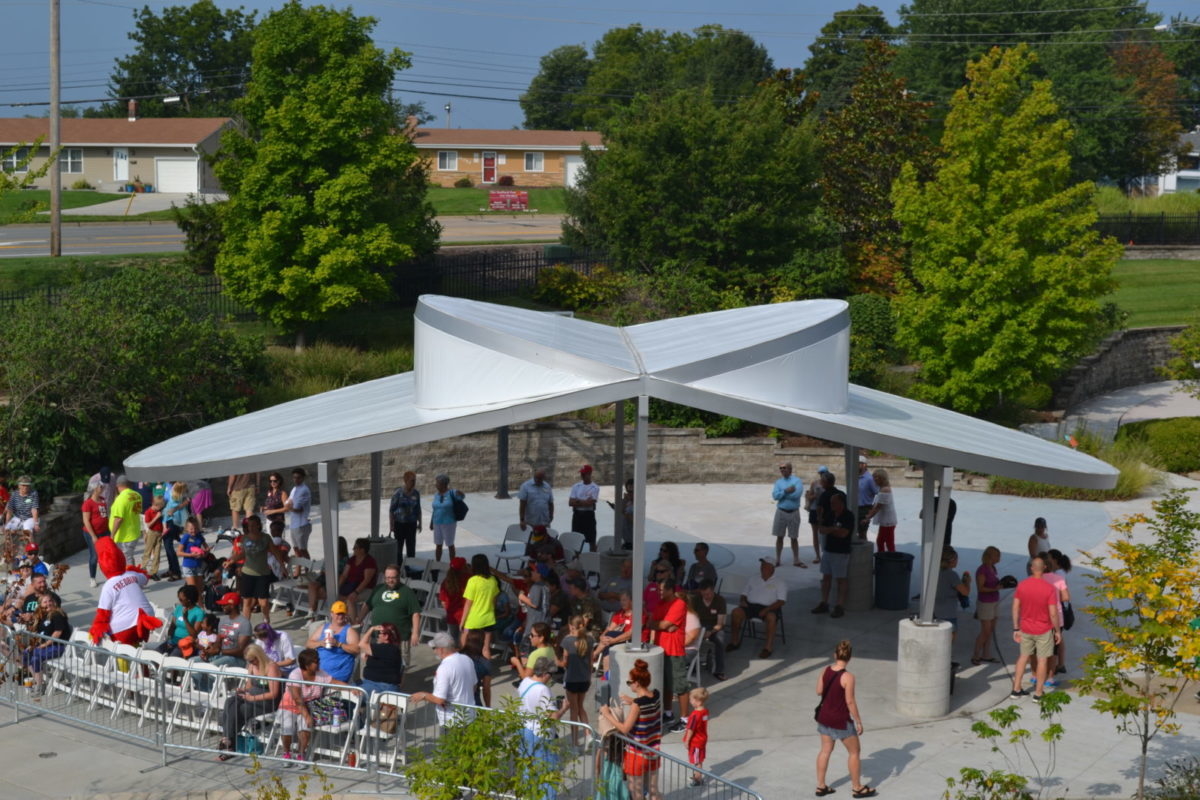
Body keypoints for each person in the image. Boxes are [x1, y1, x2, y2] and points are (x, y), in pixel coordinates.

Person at [815, 640, 875, 798]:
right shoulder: (848, 677)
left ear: (835, 655)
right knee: (854, 752)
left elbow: (819, 691)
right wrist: (858, 721)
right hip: (840, 721)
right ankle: (857, 787)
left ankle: (821, 786)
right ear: (850, 657)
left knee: (825, 750)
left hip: (824, 718)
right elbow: (850, 701)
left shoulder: (825, 670)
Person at [598, 658, 662, 800]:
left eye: (629, 682)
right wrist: (631, 700)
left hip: (637, 753)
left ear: (636, 683)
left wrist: (608, 714)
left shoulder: (637, 705)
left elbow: (625, 728)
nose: (629, 685)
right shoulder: (656, 695)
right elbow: (648, 704)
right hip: (653, 749)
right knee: (653, 791)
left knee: (635, 790)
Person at [89, 536, 162, 646]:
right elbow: (145, 577)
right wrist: (131, 569)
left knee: (121, 650)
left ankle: (125, 662)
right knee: (135, 647)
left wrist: (95, 629)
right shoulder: (131, 574)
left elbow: (103, 613)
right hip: (146, 619)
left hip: (124, 628)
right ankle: (140, 661)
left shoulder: (108, 586)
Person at [276, 648, 346, 762]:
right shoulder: (295, 674)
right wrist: (307, 715)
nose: (318, 663)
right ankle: (286, 752)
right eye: (315, 661)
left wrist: (352, 689)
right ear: (307, 665)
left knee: (305, 727)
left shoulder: (320, 673)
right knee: (287, 726)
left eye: (318, 660)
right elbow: (297, 698)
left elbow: (334, 682)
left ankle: (301, 754)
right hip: (290, 704)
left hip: (309, 706)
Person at [1009, 553, 1062, 701]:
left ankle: (1016, 689)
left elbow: (1015, 607)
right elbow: (1053, 613)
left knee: (1023, 657)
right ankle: (1038, 693)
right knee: (1042, 660)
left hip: (1025, 628)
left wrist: (1015, 628)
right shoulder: (1049, 588)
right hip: (1044, 629)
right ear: (1044, 568)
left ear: (1031, 568)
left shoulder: (1022, 585)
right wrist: (1057, 631)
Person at [517, 655, 571, 797]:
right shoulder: (542, 690)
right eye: (551, 674)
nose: (551, 678)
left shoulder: (524, 682)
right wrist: (564, 708)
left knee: (528, 769)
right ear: (546, 674)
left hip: (524, 729)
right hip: (541, 733)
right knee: (548, 772)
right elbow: (553, 717)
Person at [216, 643, 281, 760]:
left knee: (240, 710)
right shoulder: (251, 666)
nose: (251, 663)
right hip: (251, 696)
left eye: (252, 660)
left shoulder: (271, 667)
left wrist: (253, 698)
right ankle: (228, 741)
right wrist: (242, 689)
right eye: (249, 661)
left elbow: (274, 693)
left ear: (259, 656)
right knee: (230, 702)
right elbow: (250, 685)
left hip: (266, 701)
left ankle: (228, 743)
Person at [411, 631, 478, 728]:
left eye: (435, 648)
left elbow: (439, 699)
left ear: (441, 649)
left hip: (452, 720)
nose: (434, 651)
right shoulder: (467, 659)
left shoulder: (444, 668)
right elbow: (474, 686)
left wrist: (423, 695)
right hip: (469, 716)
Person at [650, 579, 690, 732]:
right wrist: (663, 625)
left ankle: (685, 718)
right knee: (666, 684)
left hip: (675, 650)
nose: (659, 593)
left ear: (670, 590)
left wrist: (663, 625)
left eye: (661, 590)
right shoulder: (660, 604)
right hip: (661, 649)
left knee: (680, 686)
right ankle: (668, 713)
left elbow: (666, 625)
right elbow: (653, 623)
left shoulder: (679, 604)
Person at [727, 558, 788, 658]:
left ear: (772, 568)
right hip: (750, 606)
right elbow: (744, 594)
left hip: (769, 607)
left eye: (765, 565)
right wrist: (742, 601)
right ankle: (735, 642)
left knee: (771, 618)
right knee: (736, 612)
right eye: (762, 565)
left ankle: (768, 648)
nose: (762, 567)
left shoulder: (780, 582)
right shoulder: (753, 578)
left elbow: (781, 601)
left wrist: (767, 609)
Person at [366, 564, 421, 668]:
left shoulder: (407, 592)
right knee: (376, 662)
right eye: (387, 578)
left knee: (400, 665)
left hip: (399, 636)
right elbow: (368, 605)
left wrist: (415, 633)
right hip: (379, 635)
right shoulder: (378, 589)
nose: (390, 580)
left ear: (399, 577)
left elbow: (416, 613)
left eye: (393, 578)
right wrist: (359, 618)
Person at [813, 491, 854, 619]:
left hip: (841, 552)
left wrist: (830, 530)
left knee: (841, 579)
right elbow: (821, 529)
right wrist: (833, 529)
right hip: (828, 550)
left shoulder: (848, 516)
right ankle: (824, 602)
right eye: (831, 503)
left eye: (834, 503)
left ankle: (839, 606)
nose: (831, 505)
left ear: (841, 503)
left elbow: (844, 534)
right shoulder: (830, 514)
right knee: (826, 578)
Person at [23, 592, 71, 696]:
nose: (48, 603)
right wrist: (33, 644)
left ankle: (39, 687)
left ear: (54, 602)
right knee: (26, 653)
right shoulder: (42, 616)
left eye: (50, 601)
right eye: (45, 602)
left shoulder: (57, 614)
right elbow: (39, 633)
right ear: (40, 605)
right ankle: (39, 680)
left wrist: (46, 644)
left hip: (58, 646)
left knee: (36, 656)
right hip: (45, 646)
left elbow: (58, 632)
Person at [305, 600, 360, 682]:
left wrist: (339, 644)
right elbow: (308, 644)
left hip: (337, 676)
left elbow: (357, 649)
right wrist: (320, 643)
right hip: (318, 673)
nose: (340, 616)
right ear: (331, 614)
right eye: (338, 614)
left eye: (343, 614)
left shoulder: (349, 630)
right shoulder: (323, 627)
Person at [558, 615, 593, 741]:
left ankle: (574, 742)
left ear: (571, 626)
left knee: (574, 710)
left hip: (571, 679)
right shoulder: (589, 640)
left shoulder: (567, 641)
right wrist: (589, 677)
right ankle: (588, 735)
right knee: (581, 707)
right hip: (584, 678)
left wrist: (557, 661)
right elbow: (590, 662)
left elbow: (565, 663)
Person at [1041, 549, 1072, 682]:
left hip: (1055, 614)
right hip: (1060, 613)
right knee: (1058, 640)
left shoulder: (1058, 575)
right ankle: (1060, 664)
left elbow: (1064, 595)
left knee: (1052, 645)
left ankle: (1052, 671)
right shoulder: (1059, 574)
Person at [460, 553, 500, 655]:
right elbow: (494, 600)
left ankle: (467, 668)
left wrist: (462, 622)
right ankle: (487, 669)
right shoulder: (493, 580)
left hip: (474, 619)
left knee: (465, 646)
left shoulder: (472, 581)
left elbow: (468, 604)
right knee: (486, 648)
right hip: (488, 618)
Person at [305, 536, 348, 622]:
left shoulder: (345, 560)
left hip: (335, 579)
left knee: (317, 592)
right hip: (324, 577)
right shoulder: (329, 556)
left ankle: (312, 618)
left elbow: (343, 574)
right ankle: (311, 611)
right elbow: (322, 570)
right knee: (312, 585)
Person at [972, 546, 1002, 666]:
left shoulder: (992, 568)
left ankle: (986, 654)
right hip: (985, 603)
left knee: (990, 630)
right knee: (985, 631)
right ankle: (976, 655)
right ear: (990, 556)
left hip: (994, 601)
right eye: (997, 556)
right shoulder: (982, 570)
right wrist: (995, 588)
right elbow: (981, 588)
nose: (999, 558)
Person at [934, 547, 971, 644]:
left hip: (935, 610)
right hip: (948, 612)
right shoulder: (952, 575)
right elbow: (965, 592)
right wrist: (967, 582)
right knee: (950, 636)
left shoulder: (935, 572)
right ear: (952, 560)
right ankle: (944, 656)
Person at [772, 461, 806, 567]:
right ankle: (778, 559)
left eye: (784, 468)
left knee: (794, 537)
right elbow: (775, 496)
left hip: (794, 513)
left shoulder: (797, 481)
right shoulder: (778, 482)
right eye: (780, 468)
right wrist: (786, 491)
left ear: (790, 469)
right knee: (779, 537)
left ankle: (796, 559)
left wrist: (782, 494)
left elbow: (796, 495)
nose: (782, 470)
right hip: (781, 512)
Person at [359, 622, 405, 700]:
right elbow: (383, 665)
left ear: (386, 636)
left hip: (380, 686)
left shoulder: (385, 648)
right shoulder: (392, 649)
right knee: (346, 690)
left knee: (348, 695)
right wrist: (369, 658)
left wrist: (371, 629)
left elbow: (361, 644)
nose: (378, 636)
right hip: (377, 684)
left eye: (380, 633)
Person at [337, 537, 378, 624]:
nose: (353, 549)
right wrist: (337, 587)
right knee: (336, 596)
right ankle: (343, 621)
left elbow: (366, 580)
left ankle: (353, 625)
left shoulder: (369, 561)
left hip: (366, 589)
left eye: (355, 547)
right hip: (351, 586)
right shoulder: (352, 560)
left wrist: (356, 592)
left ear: (362, 550)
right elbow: (344, 575)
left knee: (350, 599)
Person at [695, 579, 728, 681]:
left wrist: (710, 632)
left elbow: (720, 623)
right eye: (704, 594)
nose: (706, 597)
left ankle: (719, 670)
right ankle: (692, 664)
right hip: (699, 625)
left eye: (709, 594)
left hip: (714, 626)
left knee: (720, 639)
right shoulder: (695, 600)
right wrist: (699, 630)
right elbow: (693, 618)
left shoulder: (720, 600)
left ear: (713, 591)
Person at [594, 592, 633, 677]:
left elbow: (630, 634)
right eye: (621, 600)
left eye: (624, 600)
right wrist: (602, 636)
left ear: (632, 601)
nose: (622, 602)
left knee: (610, 637)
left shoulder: (638, 614)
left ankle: (594, 655)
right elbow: (610, 628)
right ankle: (607, 675)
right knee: (607, 642)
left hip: (630, 641)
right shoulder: (619, 613)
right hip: (614, 641)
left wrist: (613, 640)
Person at [211, 591, 253, 669]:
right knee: (194, 661)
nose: (222, 607)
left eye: (224, 605)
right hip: (222, 655)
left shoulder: (244, 623)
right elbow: (218, 640)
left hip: (238, 659)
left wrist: (219, 652)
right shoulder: (222, 620)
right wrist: (210, 651)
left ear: (232, 605)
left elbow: (241, 651)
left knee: (212, 666)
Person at [81, 479, 110, 588]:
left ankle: (109, 574)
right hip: (92, 533)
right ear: (94, 489)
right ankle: (92, 578)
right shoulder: (88, 504)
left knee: (106, 554)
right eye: (100, 487)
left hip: (104, 532)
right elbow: (86, 521)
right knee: (95, 556)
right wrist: (93, 536)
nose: (102, 489)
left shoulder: (102, 500)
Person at [160, 585, 205, 656]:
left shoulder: (199, 613)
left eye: (181, 599)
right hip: (173, 641)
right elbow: (172, 626)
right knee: (154, 655)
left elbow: (194, 635)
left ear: (189, 600)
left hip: (186, 644)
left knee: (170, 659)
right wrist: (169, 640)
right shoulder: (179, 608)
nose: (179, 601)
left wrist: (185, 619)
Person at [279, 468, 313, 560]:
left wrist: (289, 506)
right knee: (296, 550)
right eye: (294, 478)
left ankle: (308, 570)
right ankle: (298, 571)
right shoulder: (294, 489)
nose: (296, 480)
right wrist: (290, 505)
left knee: (303, 550)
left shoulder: (304, 490)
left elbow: (297, 508)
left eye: (298, 478)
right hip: (294, 524)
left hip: (302, 525)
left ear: (303, 478)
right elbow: (288, 503)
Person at [388, 470, 422, 560]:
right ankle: (398, 567)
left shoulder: (416, 493)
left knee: (411, 547)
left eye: (415, 480)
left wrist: (420, 523)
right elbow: (392, 510)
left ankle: (410, 567)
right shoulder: (398, 493)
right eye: (412, 481)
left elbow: (418, 509)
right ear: (405, 481)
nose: (414, 483)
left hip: (412, 524)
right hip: (399, 524)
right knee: (398, 548)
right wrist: (391, 525)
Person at [108, 475, 143, 564]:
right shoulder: (137, 495)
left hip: (124, 535)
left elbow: (118, 519)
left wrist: (112, 535)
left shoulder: (121, 499)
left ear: (118, 485)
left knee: (126, 558)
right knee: (129, 555)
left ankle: (131, 575)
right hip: (134, 531)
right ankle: (133, 573)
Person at [430, 474, 464, 563]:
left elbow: (462, 497)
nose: (436, 485)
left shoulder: (452, 493)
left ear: (443, 484)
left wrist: (460, 493)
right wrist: (431, 522)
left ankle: (452, 565)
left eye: (437, 483)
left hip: (449, 523)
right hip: (437, 522)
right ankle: (437, 562)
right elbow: (435, 509)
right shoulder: (436, 495)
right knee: (438, 544)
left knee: (450, 544)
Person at [682, 687, 710, 787]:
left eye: (691, 699)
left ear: (697, 701)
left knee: (697, 761)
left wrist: (687, 741)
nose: (690, 701)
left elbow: (691, 729)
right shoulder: (705, 712)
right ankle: (697, 776)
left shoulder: (695, 715)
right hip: (702, 739)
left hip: (695, 741)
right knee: (699, 758)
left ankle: (697, 779)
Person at [864, 469, 897, 553]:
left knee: (888, 543)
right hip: (886, 521)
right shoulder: (882, 488)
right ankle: (884, 557)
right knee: (882, 541)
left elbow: (878, 507)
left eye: (876, 478)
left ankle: (889, 560)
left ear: (882, 478)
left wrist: (868, 517)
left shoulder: (884, 490)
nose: (874, 480)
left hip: (887, 521)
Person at [569, 464, 600, 552]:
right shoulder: (576, 486)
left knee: (591, 539)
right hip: (577, 514)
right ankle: (576, 557)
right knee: (576, 538)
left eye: (584, 474)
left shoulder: (595, 487)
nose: (582, 476)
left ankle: (592, 556)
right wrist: (583, 502)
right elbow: (571, 502)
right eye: (581, 474)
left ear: (589, 474)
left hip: (588, 514)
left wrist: (578, 501)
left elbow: (590, 503)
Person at [439, 557, 471, 640]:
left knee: (453, 640)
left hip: (452, 615)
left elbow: (443, 602)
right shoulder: (469, 579)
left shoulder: (446, 581)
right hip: (466, 615)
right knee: (464, 641)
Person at [804, 466, 831, 564]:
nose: (823, 475)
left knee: (826, 533)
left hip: (825, 511)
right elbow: (809, 496)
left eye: (824, 473)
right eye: (821, 473)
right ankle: (817, 556)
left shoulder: (829, 484)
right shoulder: (814, 483)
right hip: (814, 509)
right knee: (815, 534)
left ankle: (826, 554)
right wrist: (815, 495)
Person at [518, 467, 555, 534]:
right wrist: (522, 520)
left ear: (544, 478)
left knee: (545, 543)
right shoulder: (525, 486)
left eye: (540, 478)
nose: (537, 480)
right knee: (531, 542)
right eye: (536, 478)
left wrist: (551, 515)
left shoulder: (547, 486)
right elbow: (522, 504)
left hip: (544, 522)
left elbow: (550, 503)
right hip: (531, 522)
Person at [177, 516, 209, 591]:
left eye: (195, 528)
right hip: (188, 566)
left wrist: (204, 553)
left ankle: (201, 603)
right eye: (191, 529)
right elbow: (178, 552)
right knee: (193, 591)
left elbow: (206, 548)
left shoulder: (199, 536)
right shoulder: (185, 537)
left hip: (198, 565)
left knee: (200, 591)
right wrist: (191, 555)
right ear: (187, 529)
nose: (193, 531)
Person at [4, 475, 40, 542]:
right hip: (17, 517)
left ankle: (31, 550)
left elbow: (34, 509)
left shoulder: (33, 494)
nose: (25, 487)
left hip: (29, 517)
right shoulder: (14, 494)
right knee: (7, 529)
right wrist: (7, 523)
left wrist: (36, 524)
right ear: (19, 486)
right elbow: (10, 510)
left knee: (27, 531)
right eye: (23, 485)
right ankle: (10, 549)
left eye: (27, 485)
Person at [462, 629, 493, 707]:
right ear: (482, 643)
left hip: (454, 701)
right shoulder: (485, 663)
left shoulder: (457, 657)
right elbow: (486, 689)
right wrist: (488, 707)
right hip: (473, 702)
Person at [141, 494, 166, 580]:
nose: (161, 508)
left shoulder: (159, 511)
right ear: (156, 505)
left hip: (159, 533)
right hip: (152, 533)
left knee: (157, 553)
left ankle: (153, 572)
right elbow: (148, 525)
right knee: (148, 551)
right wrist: (156, 517)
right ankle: (143, 568)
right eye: (160, 507)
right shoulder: (149, 512)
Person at [855, 456, 878, 540]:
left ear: (864, 465)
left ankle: (863, 552)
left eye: (858, 464)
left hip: (864, 509)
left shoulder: (869, 479)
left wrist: (873, 508)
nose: (856, 465)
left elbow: (877, 493)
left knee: (862, 533)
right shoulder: (855, 477)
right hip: (854, 508)